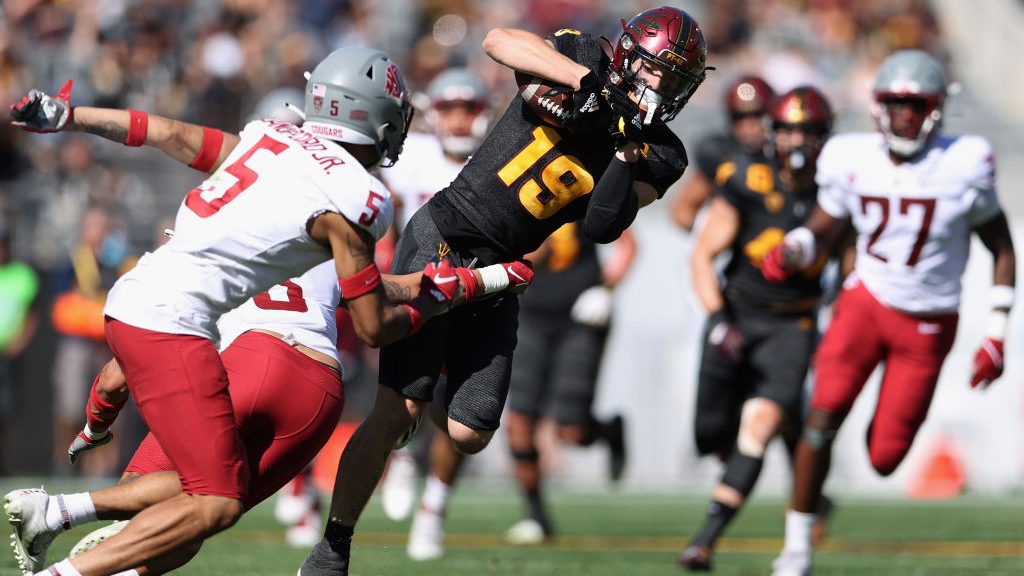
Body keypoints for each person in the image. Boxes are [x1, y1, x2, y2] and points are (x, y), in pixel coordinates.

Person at [3, 46, 518, 576]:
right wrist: (446, 294)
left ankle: (62, 516)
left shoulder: (265, 141)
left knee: (196, 497)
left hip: (143, 309)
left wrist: (73, 116)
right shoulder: (357, 196)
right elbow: (372, 325)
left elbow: (169, 133)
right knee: (214, 503)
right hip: (253, 352)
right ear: (377, 116)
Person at [299, 7, 708, 575]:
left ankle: (424, 400)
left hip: (501, 271)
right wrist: (583, 83)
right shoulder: (586, 55)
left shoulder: (663, 152)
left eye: (680, 78)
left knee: (469, 433)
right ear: (632, 57)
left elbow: (603, 224)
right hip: (446, 232)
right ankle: (332, 548)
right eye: (663, 70)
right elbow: (498, 39)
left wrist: (627, 144)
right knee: (397, 408)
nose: (668, 87)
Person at [764, 50, 1016, 576]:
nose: (903, 115)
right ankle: (796, 549)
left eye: (914, 104)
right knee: (821, 416)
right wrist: (794, 249)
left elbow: (1002, 248)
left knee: (885, 458)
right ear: (878, 106)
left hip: (927, 324)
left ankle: (865, 451)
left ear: (935, 108)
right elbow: (824, 228)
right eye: (894, 103)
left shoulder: (965, 160)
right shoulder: (851, 157)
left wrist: (995, 333)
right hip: (865, 303)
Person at [678, 86, 833, 572]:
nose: (797, 141)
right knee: (710, 435)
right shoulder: (745, 174)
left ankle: (704, 541)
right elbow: (703, 253)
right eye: (788, 130)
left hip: (794, 324)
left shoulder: (839, 185)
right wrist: (718, 318)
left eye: (807, 131)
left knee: (760, 425)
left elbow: (851, 266)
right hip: (739, 314)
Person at [503, 223, 635, 546]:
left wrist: (607, 288)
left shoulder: (587, 190)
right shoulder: (516, 194)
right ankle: (536, 517)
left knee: (571, 430)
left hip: (580, 317)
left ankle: (609, 431)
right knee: (519, 422)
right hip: (530, 316)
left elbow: (629, 245)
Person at [671, 75, 775, 232]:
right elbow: (683, 211)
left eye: (757, 117)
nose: (749, 127)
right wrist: (710, 227)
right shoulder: (721, 155)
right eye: (740, 118)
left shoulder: (782, 155)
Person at [0, 214, 40, 474]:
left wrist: (20, 342)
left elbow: (31, 315)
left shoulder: (22, 274)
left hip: (7, 357)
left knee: (4, 411)